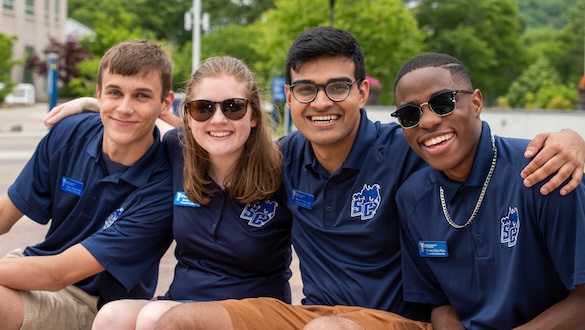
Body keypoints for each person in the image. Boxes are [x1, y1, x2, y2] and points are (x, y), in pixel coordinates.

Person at [152, 27, 585, 330]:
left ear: (362, 91)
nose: (321, 101)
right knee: (179, 320)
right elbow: (217, 136)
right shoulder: (283, 157)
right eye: (305, 89)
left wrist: (571, 140)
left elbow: (471, 143)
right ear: (289, 95)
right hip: (313, 314)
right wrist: (94, 110)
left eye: (337, 87)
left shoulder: (409, 147)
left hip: (387, 320)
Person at [48, 56, 292, 330]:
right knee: (111, 316)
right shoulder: (179, 149)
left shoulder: (282, 167)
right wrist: (88, 104)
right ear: (188, 116)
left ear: (255, 115)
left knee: (156, 318)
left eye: (234, 107)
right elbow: (144, 116)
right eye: (203, 108)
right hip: (183, 300)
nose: (218, 119)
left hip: (254, 311)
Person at [393, 53, 585, 329]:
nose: (428, 122)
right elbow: (435, 299)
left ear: (476, 102)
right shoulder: (412, 198)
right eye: (410, 114)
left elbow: (582, 300)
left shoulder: (544, 172)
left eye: (443, 103)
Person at [0, 40, 176, 329]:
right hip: (35, 264)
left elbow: (59, 274)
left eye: (141, 96)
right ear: (98, 94)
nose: (124, 108)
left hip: (90, 302)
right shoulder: (70, 132)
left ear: (165, 103)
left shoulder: (163, 184)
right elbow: (6, 213)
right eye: (114, 92)